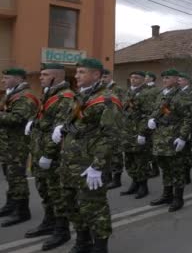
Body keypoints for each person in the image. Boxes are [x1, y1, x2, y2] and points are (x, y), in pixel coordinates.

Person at [55, 58, 123, 252]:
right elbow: (78, 123)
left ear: (96, 75)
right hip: (70, 163)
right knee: (72, 205)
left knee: (94, 209)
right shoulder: (80, 97)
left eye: (81, 72)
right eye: (76, 72)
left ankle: (100, 247)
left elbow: (111, 136)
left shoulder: (107, 99)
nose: (76, 76)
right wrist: (62, 128)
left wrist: (98, 166)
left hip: (90, 165)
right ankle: (83, 241)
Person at [24, 64, 75, 250]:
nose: (41, 77)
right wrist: (33, 122)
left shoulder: (66, 98)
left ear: (56, 77)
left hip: (52, 156)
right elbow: (45, 118)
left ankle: (62, 230)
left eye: (45, 74)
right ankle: (49, 222)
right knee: (44, 190)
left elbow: (59, 131)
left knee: (57, 194)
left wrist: (48, 155)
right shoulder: (49, 94)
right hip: (39, 150)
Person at [147, 69, 192, 212]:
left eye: (168, 78)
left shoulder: (182, 96)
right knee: (165, 168)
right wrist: (151, 119)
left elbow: (189, 118)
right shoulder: (161, 94)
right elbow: (155, 110)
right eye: (163, 78)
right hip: (159, 138)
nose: (164, 80)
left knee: (177, 169)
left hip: (173, 137)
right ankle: (167, 194)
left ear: (176, 79)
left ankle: (178, 198)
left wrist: (182, 137)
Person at [0, 68, 39, 227]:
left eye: (6, 77)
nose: (3, 80)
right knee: (10, 176)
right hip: (8, 144)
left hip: (17, 144)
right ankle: (11, 205)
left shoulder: (25, 97)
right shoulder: (11, 93)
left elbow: (17, 119)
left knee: (17, 178)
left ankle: (22, 211)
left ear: (18, 79)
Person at [119, 71, 156, 200]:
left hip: (139, 133)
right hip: (126, 133)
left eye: (137, 78)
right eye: (132, 77)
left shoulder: (147, 93)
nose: (134, 80)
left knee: (141, 160)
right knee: (129, 161)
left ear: (143, 79)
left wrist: (143, 132)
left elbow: (148, 115)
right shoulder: (127, 92)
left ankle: (143, 186)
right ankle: (134, 183)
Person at [101, 68, 127, 190]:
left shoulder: (118, 89)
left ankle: (117, 179)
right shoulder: (101, 89)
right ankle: (107, 177)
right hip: (104, 125)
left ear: (110, 76)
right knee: (105, 152)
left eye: (105, 77)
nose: (103, 79)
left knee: (116, 153)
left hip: (116, 125)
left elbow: (123, 106)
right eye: (102, 77)